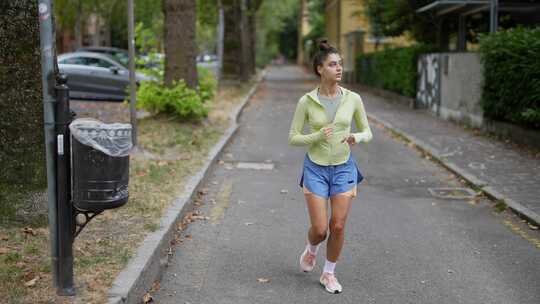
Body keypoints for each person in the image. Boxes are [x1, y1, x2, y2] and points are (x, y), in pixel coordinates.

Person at [288, 40, 373, 294]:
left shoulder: (353, 99)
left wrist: (356, 137)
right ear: (319, 69)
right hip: (315, 167)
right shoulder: (306, 101)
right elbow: (293, 137)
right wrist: (316, 136)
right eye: (333, 64)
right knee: (320, 229)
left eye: (340, 64)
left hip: (344, 167)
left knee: (338, 225)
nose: (339, 69)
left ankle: (329, 273)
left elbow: (367, 131)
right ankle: (311, 248)